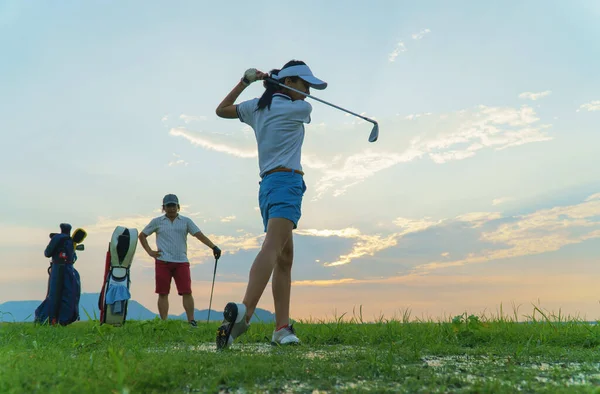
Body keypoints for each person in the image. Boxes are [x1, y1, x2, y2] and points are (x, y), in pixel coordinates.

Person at [214, 60, 327, 348]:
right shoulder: (301, 109)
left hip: (267, 188)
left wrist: (245, 81)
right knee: (273, 249)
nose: (309, 93)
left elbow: (222, 110)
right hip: (287, 185)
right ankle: (244, 314)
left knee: (285, 258)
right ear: (288, 83)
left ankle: (281, 328)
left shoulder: (256, 107)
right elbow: (299, 103)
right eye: (305, 85)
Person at [138, 194, 222, 327]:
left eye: (173, 206)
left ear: (178, 206)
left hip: (181, 261)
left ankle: (191, 321)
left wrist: (214, 247)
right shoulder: (157, 221)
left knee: (187, 291)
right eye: (168, 206)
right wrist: (150, 252)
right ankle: (164, 322)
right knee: (163, 292)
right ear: (163, 208)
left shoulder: (186, 221)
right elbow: (142, 235)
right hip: (162, 261)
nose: (171, 209)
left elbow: (198, 235)